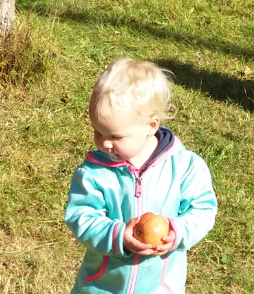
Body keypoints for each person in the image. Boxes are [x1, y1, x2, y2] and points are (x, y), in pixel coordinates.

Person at [65, 58, 217, 294]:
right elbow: (81, 217)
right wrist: (118, 236)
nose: (104, 142)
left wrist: (176, 231)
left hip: (160, 288)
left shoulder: (184, 167)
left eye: (115, 136)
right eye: (97, 131)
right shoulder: (94, 173)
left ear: (151, 125)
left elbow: (203, 210)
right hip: (103, 287)